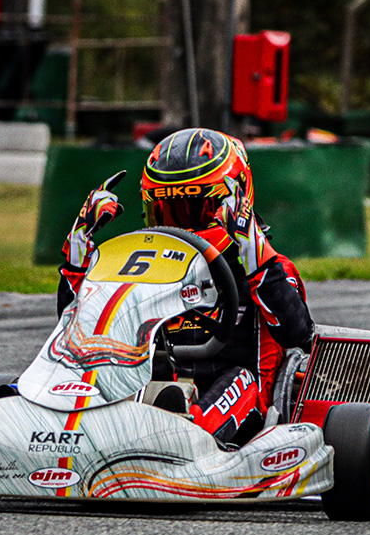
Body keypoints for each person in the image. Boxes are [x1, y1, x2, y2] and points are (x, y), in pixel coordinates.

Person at [57, 128, 314, 446]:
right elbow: (74, 331)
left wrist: (257, 261)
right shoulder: (142, 266)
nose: (182, 228)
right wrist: (77, 263)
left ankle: (180, 437)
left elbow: (298, 333)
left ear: (233, 204)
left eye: (195, 211)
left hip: (245, 395)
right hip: (153, 381)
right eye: (168, 212)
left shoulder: (266, 268)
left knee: (238, 380)